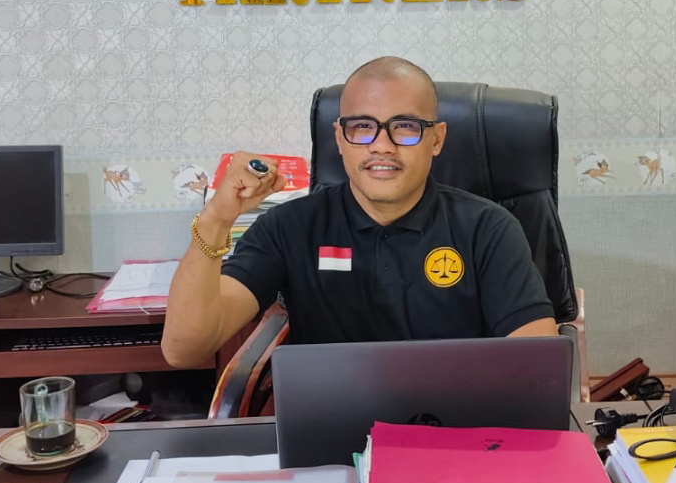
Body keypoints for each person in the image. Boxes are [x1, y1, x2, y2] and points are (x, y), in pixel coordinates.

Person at [162, 56, 557, 366]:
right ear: (339, 138)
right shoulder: (289, 228)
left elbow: (536, 366)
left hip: (456, 432)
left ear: (436, 139)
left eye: (405, 127)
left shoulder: (489, 229)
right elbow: (184, 349)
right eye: (362, 127)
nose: (381, 146)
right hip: (330, 434)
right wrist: (217, 218)